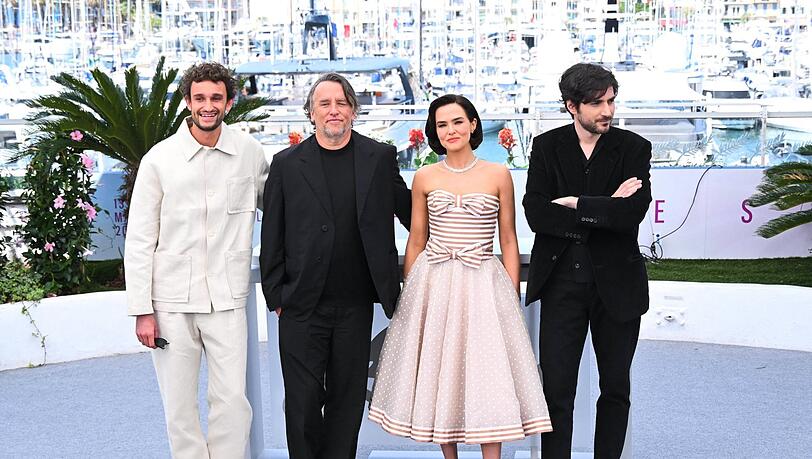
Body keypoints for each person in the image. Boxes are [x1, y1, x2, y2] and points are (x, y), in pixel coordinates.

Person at [369, 94, 552, 459]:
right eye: (441, 125)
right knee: (440, 371)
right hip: (433, 282)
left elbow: (509, 238)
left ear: (472, 124)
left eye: (457, 121)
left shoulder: (498, 174)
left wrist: (511, 292)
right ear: (434, 132)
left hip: (484, 280)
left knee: (489, 373)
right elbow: (417, 239)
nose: (450, 130)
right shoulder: (424, 176)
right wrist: (410, 293)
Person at [259, 72, 411, 459]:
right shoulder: (286, 164)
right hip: (300, 304)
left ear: (354, 111)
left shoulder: (379, 157)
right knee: (303, 403)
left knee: (346, 403)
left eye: (341, 103)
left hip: (355, 304)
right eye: (324, 104)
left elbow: (412, 214)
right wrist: (276, 293)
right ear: (311, 113)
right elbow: (272, 233)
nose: (333, 110)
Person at [125, 62, 269, 458]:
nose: (208, 106)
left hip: (226, 298)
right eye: (200, 98)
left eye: (216, 98)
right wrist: (142, 310)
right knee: (179, 406)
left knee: (232, 402)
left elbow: (279, 209)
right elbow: (138, 238)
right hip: (170, 302)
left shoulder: (250, 153)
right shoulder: (160, 160)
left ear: (229, 101)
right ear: (188, 101)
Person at [523, 63, 652, 458]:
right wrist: (605, 208)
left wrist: (577, 204)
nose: (607, 111)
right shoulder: (546, 146)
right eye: (597, 103)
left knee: (615, 389)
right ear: (571, 106)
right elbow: (536, 214)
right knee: (556, 392)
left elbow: (632, 213)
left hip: (617, 287)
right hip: (561, 285)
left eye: (611, 100)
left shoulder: (634, 148)